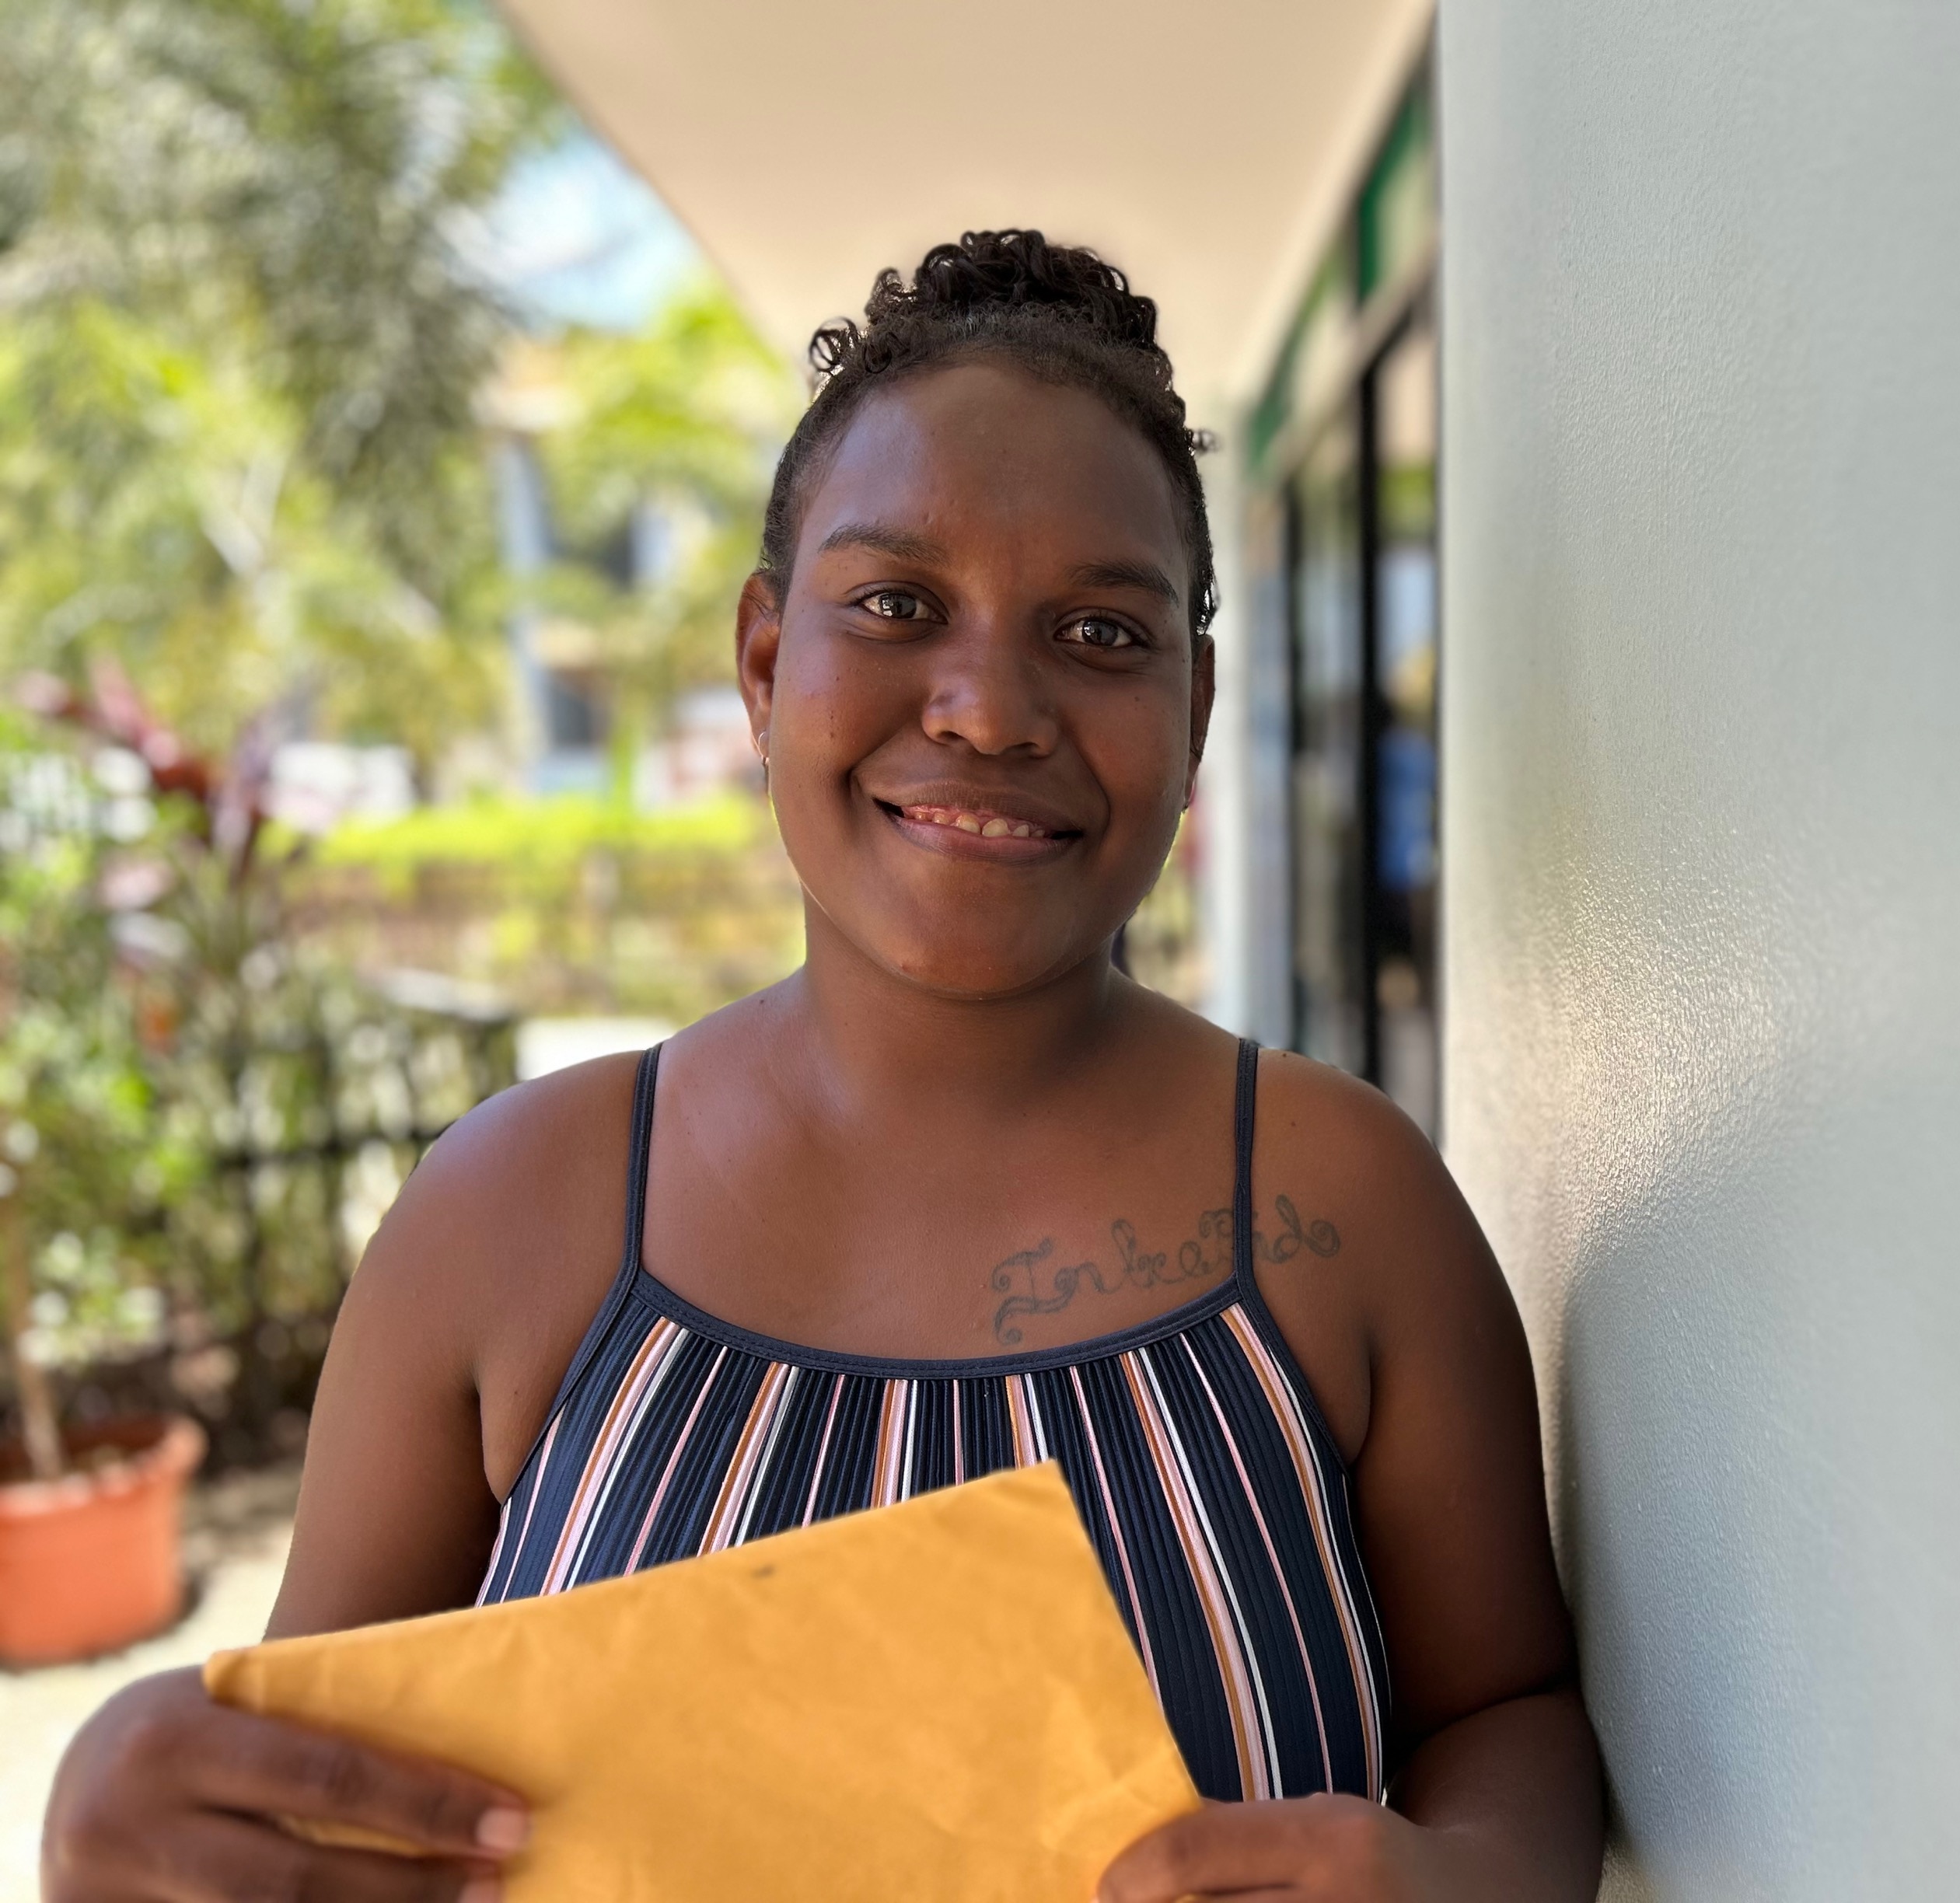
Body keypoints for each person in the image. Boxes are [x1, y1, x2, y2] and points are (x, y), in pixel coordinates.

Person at [41, 231, 1605, 1903]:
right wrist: (123, 1823)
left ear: (1199, 703)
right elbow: (310, 1813)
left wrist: (1475, 1883)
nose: (992, 707)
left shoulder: (1340, 1204)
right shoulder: (509, 1215)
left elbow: (1507, 1709)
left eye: (1098, 630)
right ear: (768, 661)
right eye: (897, 605)